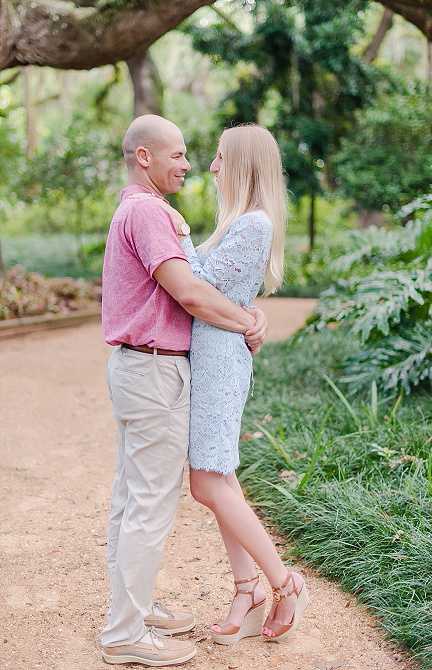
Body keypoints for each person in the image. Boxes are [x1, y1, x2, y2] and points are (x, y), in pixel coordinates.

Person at [101, 115, 268, 667]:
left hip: (138, 368)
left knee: (132, 498)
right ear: (144, 157)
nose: (188, 164)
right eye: (176, 155)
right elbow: (191, 293)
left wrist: (245, 313)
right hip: (154, 370)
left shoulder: (139, 208)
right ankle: (126, 632)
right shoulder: (148, 211)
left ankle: (135, 607)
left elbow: (197, 289)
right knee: (149, 503)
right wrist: (246, 321)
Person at [171, 125, 308, 646]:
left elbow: (200, 285)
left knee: (206, 482)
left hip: (221, 362)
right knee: (217, 477)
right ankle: (246, 588)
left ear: (244, 165)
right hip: (215, 355)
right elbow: (223, 290)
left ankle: (283, 581)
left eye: (220, 158)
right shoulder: (240, 222)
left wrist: (179, 234)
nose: (210, 167)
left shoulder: (253, 223)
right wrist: (252, 314)